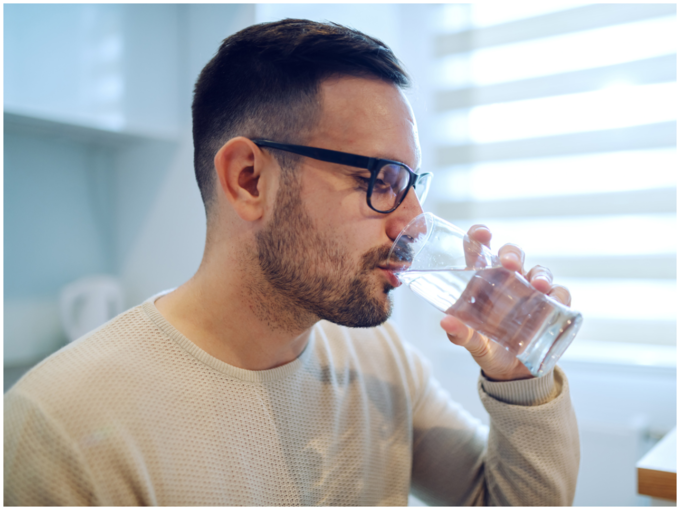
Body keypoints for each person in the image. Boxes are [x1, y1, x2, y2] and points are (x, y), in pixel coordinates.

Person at [4, 19, 579, 506]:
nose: (413, 223)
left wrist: (518, 380)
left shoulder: (378, 360)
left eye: (411, 184)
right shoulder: (61, 427)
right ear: (249, 180)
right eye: (379, 179)